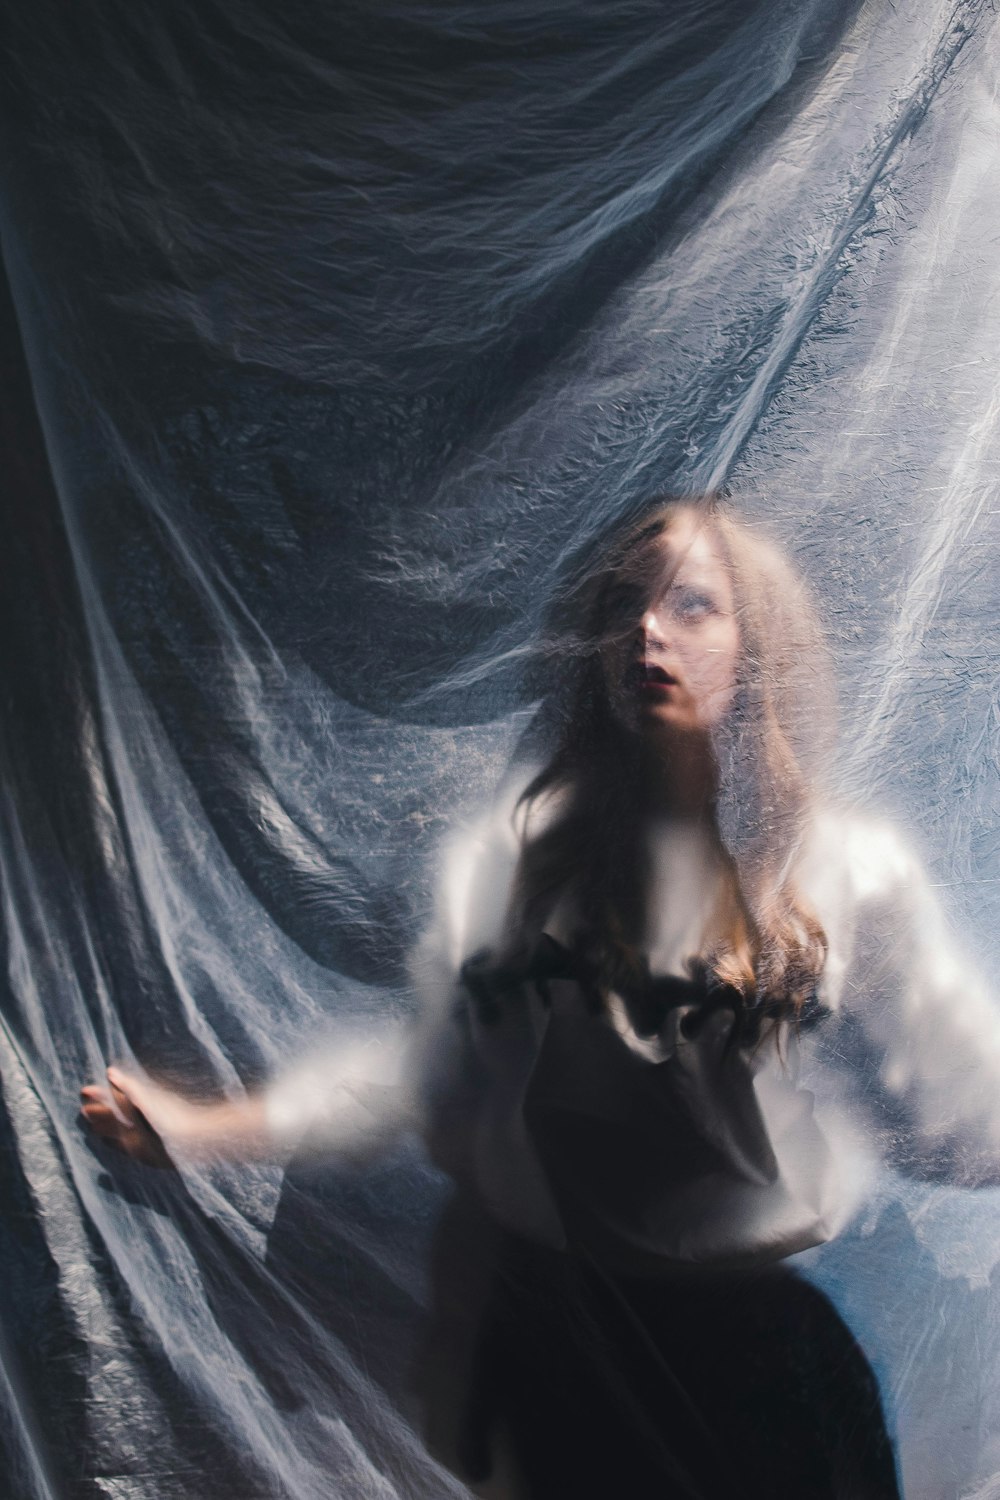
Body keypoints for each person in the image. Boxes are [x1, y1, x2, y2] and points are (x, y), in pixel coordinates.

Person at [83, 498, 1000, 1499]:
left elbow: (965, 1108)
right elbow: (416, 1076)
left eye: (691, 603)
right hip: (564, 1364)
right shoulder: (519, 863)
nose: (646, 629)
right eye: (623, 604)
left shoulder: (851, 873)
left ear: (757, 644)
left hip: (763, 1380)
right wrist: (201, 1132)